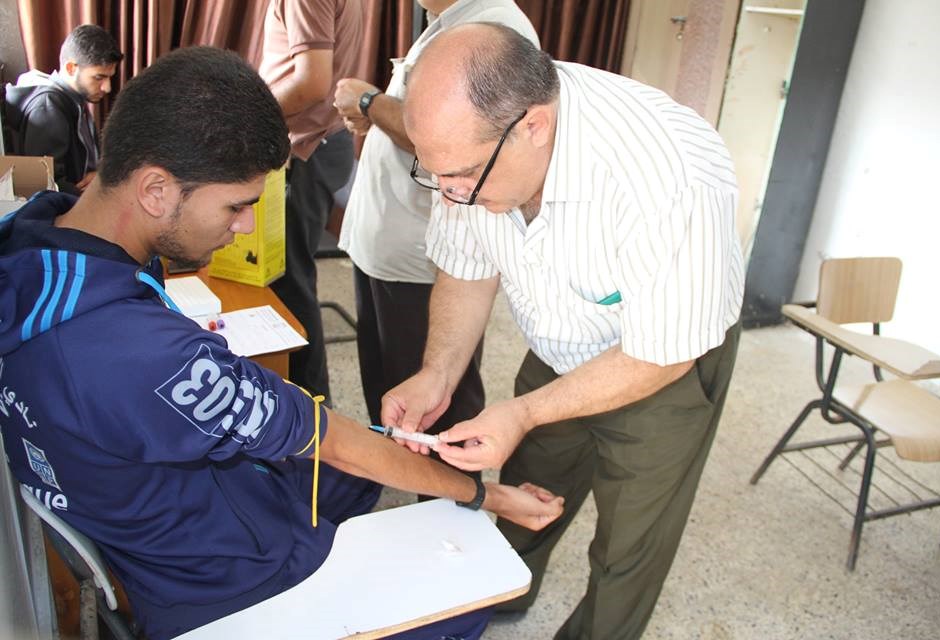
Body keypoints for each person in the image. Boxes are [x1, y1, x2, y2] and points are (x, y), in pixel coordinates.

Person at [0, 46, 563, 640]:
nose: (245, 224)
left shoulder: (41, 237)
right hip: (225, 576)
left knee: (365, 460)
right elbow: (327, 440)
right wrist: (484, 494)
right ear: (156, 189)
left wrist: (366, 445)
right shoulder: (138, 353)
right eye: (237, 204)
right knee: (464, 594)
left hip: (168, 508)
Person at [388, 23, 745, 639]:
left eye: (463, 175)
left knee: (629, 543)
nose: (448, 196)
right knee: (533, 484)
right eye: (434, 173)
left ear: (535, 126)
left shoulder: (670, 174)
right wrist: (437, 374)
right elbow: (467, 267)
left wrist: (524, 411)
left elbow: (662, 353)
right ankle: (501, 594)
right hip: (559, 340)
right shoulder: (469, 155)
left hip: (665, 359)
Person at [332, 0, 538, 441]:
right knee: (391, 393)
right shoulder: (445, 20)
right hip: (387, 244)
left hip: (425, 258)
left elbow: (451, 138)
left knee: (436, 411)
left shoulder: (493, 26)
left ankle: (445, 485)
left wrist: (370, 103)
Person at [259, 0, 363, 402]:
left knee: (291, 285)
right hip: (315, 144)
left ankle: (312, 407)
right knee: (292, 279)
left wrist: (246, 116)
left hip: (305, 148)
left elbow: (312, 83)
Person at [4, 24, 122, 194]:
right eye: (99, 77)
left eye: (109, 78)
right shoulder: (48, 108)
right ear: (71, 68)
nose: (107, 87)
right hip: (70, 205)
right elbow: (46, 185)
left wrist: (101, 176)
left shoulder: (76, 100)